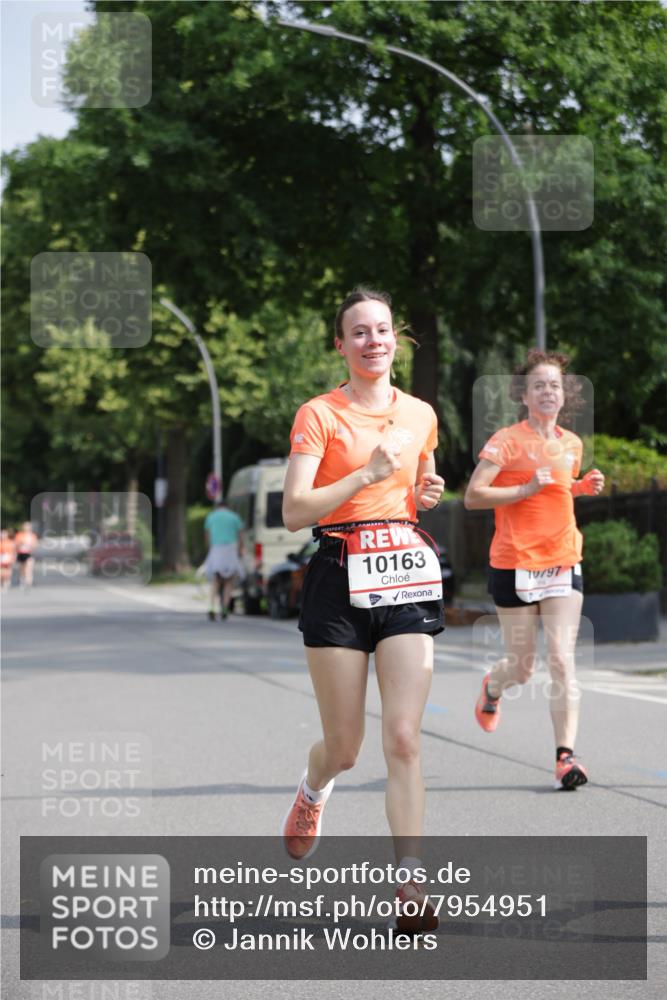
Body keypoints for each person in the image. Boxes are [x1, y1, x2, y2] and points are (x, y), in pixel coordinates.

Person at [281, 287, 445, 932]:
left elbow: (419, 484)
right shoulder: (319, 414)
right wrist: (363, 474)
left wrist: (425, 491)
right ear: (341, 345)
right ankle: (314, 787)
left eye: (383, 330)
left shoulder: (422, 413)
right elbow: (295, 510)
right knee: (346, 748)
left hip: (403, 571)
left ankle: (410, 886)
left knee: (403, 737)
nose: (373, 341)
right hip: (337, 572)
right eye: (359, 332)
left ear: (396, 338)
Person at [464, 350, 605, 790]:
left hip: (563, 559)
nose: (548, 391)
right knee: (523, 668)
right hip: (515, 563)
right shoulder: (507, 440)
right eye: (539, 385)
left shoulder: (571, 444)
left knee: (562, 659)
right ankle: (493, 687)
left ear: (566, 396)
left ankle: (566, 756)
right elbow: (473, 496)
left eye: (555, 385)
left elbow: (556, 493)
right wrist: (524, 486)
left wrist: (581, 487)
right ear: (524, 396)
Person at [203, 498, 245, 621]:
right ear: (227, 506)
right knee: (228, 581)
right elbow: (240, 535)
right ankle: (225, 608)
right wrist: (241, 548)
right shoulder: (234, 517)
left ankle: (211, 607)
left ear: (217, 506)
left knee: (215, 581)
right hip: (230, 550)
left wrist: (209, 548)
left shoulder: (211, 516)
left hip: (216, 549)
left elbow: (207, 534)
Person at [14, 521, 38, 589]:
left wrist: (30, 546)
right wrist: (21, 544)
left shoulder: (32, 536)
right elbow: (16, 544)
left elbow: (35, 545)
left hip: (29, 554)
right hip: (21, 553)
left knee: (29, 568)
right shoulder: (19, 535)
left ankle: (29, 582)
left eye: (28, 526)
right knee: (22, 568)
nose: (26, 528)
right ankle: (22, 580)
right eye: (25, 526)